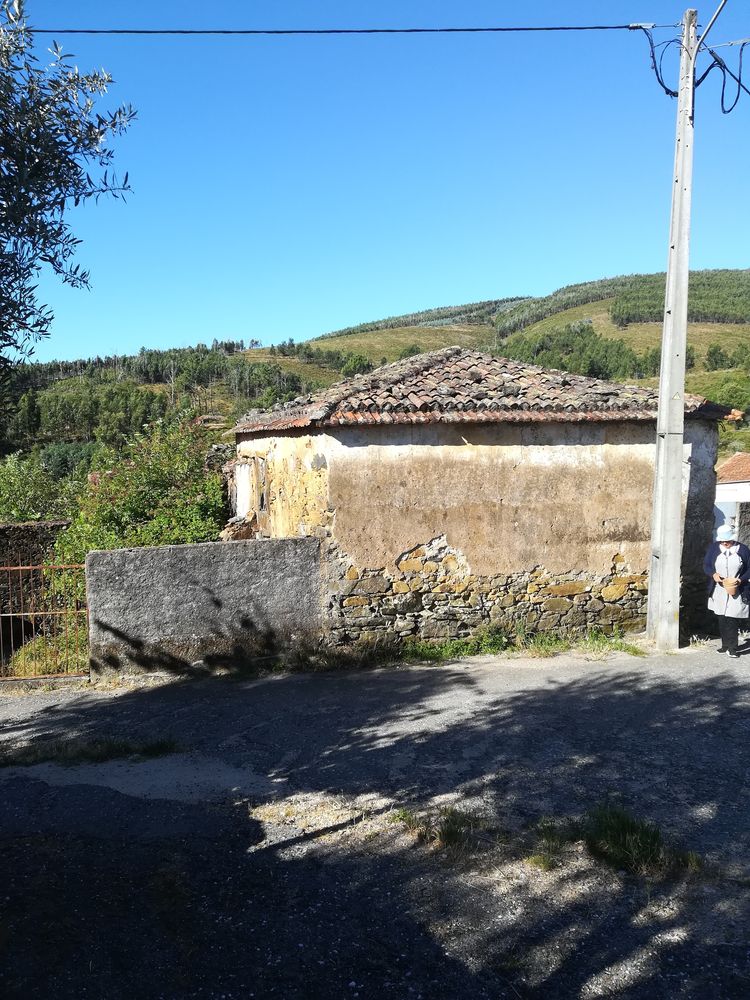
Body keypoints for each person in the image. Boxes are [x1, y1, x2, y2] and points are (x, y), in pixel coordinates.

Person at [703, 524, 750, 658]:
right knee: (722, 617)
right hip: (719, 589)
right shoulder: (713, 548)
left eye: (727, 540)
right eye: (723, 540)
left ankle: (733, 648)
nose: (725, 543)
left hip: (737, 589)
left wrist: (741, 580)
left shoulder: (743, 550)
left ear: (733, 539)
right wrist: (713, 574)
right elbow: (706, 565)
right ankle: (725, 645)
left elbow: (749, 569)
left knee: (732, 618)